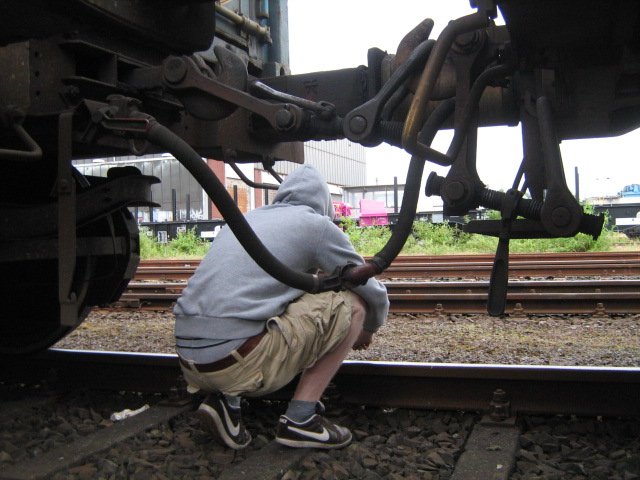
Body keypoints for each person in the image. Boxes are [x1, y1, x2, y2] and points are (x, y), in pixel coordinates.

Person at [174, 165, 389, 450]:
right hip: (237, 363)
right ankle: (301, 419)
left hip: (188, 361)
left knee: (258, 301)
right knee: (353, 303)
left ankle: (227, 403)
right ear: (324, 202)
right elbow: (368, 287)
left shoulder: (245, 220)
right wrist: (369, 327)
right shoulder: (315, 225)